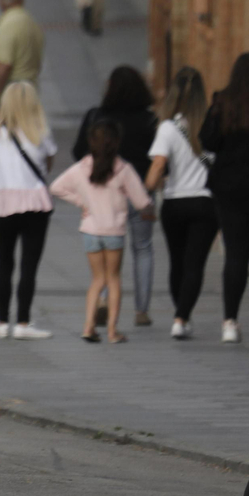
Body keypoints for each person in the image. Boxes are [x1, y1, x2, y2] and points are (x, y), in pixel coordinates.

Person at [51, 119, 153, 344]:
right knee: (113, 279)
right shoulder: (123, 169)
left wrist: (81, 201)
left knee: (96, 280)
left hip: (90, 230)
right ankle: (112, 331)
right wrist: (149, 210)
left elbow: (56, 187)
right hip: (114, 232)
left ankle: (88, 327)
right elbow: (142, 201)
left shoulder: (81, 167)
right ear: (116, 142)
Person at [72, 67, 158, 327]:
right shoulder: (149, 120)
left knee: (109, 247)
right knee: (143, 248)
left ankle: (106, 299)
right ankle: (141, 310)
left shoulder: (96, 117)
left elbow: (78, 152)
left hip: (105, 193)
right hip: (141, 190)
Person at [0, 81, 55, 340]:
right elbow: (48, 164)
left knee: (4, 263)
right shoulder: (42, 131)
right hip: (35, 202)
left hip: (2, 202)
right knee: (29, 265)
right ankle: (23, 322)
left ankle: (1, 321)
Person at [145, 67, 216, 339]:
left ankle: (181, 314)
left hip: (174, 203)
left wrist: (145, 192)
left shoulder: (167, 128)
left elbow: (158, 166)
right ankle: (182, 316)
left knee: (177, 262)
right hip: (205, 203)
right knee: (195, 263)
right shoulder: (210, 124)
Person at [199, 52, 249, 344]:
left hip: (229, 189)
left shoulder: (222, 102)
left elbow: (208, 141)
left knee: (235, 255)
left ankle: (230, 321)